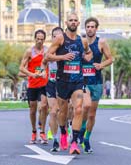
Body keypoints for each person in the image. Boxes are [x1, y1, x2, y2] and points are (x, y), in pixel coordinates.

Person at [45, 12, 92, 155]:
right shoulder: (60, 39)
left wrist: (86, 58)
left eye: (75, 20)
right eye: (70, 20)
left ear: (78, 23)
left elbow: (89, 53)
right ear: (66, 23)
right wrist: (62, 57)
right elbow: (47, 56)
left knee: (78, 109)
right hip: (62, 80)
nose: (73, 22)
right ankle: (64, 132)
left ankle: (74, 142)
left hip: (77, 80)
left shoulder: (82, 41)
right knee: (62, 111)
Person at [79, 17, 113, 153]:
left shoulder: (102, 42)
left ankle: (86, 139)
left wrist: (101, 65)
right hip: (83, 81)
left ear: (96, 28)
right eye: (88, 26)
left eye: (93, 27)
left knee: (92, 114)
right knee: (85, 106)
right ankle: (80, 130)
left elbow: (111, 59)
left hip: (97, 82)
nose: (90, 29)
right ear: (85, 28)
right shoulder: (80, 42)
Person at [19, 29, 49, 144]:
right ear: (34, 38)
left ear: (44, 39)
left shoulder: (47, 51)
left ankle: (42, 131)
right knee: (33, 109)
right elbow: (21, 68)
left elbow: (47, 64)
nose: (40, 41)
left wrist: (44, 72)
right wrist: (32, 75)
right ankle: (33, 131)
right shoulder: (29, 52)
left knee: (44, 106)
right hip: (32, 84)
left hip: (44, 83)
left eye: (42, 39)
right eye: (38, 39)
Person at [41, 27, 64, 152]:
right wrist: (43, 72)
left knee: (65, 111)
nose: (57, 38)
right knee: (53, 112)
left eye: (59, 36)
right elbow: (43, 63)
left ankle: (67, 128)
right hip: (51, 83)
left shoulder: (66, 50)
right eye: (54, 36)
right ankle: (55, 140)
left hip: (65, 84)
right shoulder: (50, 51)